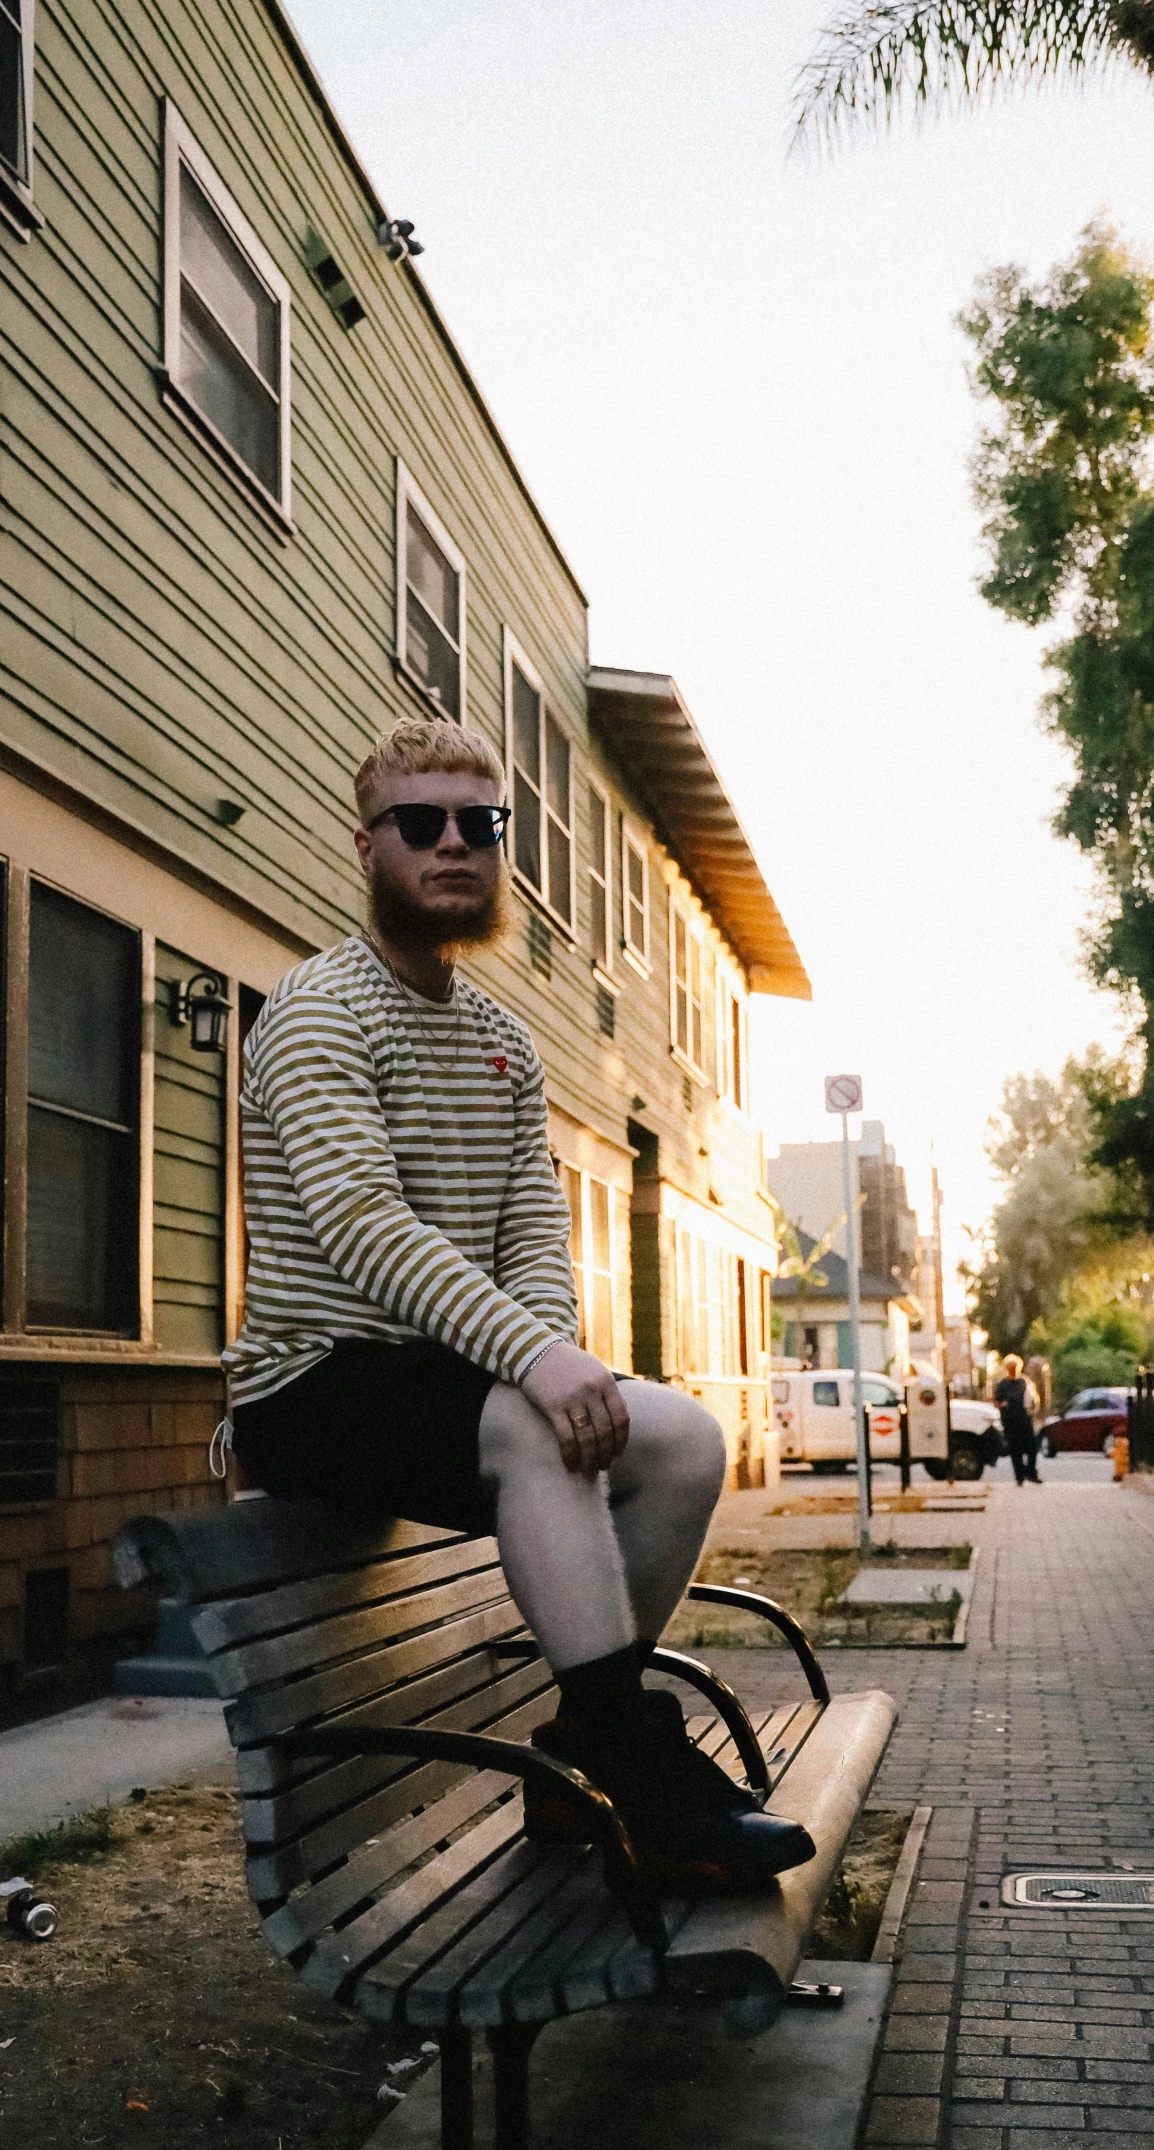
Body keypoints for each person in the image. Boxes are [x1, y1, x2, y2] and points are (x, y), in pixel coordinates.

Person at [222, 716, 815, 1889]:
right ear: (367, 845)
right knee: (531, 1425)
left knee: (687, 1440)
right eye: (420, 823)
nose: (453, 844)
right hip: (310, 1382)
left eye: (479, 826)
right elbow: (360, 1226)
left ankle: (580, 1757)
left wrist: (547, 1348)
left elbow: (532, 1231)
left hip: (441, 1386)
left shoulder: (500, 1039)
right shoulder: (314, 1011)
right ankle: (638, 1779)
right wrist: (536, 1369)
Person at [994, 1355, 1042, 1484]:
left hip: (1024, 1418)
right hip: (1010, 1420)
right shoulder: (1002, 1385)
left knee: (1032, 1447)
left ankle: (1031, 1472)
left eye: (1015, 1368)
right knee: (1015, 1450)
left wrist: (1033, 1402)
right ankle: (1019, 1476)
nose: (1013, 1371)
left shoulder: (1024, 1382)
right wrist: (1003, 1404)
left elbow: (1033, 1397)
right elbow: (996, 1402)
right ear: (1007, 1369)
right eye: (1011, 1368)